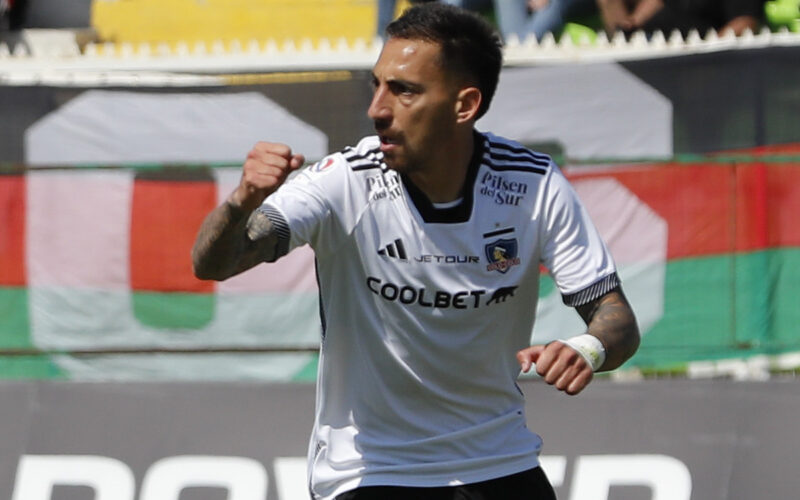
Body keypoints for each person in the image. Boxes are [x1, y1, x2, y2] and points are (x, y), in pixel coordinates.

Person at [192, 3, 640, 499]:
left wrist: (587, 348)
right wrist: (241, 202)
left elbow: (614, 318)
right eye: (377, 84)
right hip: (371, 472)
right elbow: (216, 263)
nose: (377, 109)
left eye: (404, 90)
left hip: (499, 461)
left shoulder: (532, 184)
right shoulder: (344, 180)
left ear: (464, 105)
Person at [598, 0, 767, 38]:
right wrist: (633, 23)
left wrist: (706, 53)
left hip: (690, 54)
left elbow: (743, 23)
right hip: (651, 40)